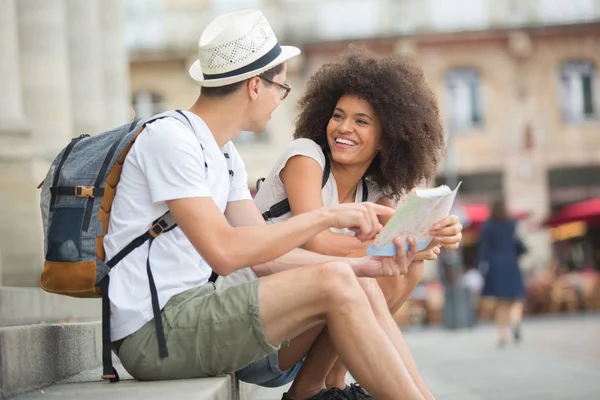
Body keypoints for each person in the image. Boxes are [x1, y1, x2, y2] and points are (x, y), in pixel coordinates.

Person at [104, 10, 448, 400]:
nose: (280, 101)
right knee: (337, 278)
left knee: (353, 279)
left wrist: (361, 265)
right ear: (255, 86)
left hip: (198, 311)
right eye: (281, 89)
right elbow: (225, 253)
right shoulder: (170, 139)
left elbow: (265, 257)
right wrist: (330, 216)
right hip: (155, 334)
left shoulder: (225, 155)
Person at [218, 45, 463, 399]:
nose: (343, 127)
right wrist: (399, 246)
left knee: (404, 269)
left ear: (387, 138)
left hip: (305, 338)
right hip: (259, 329)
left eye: (361, 121)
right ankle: (310, 391)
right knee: (361, 272)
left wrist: (436, 233)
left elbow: (391, 239)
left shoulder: (375, 189)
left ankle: (331, 382)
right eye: (338, 115)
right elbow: (319, 243)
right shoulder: (305, 156)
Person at [478, 198, 527, 347]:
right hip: (511, 263)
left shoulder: (486, 227)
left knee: (501, 303)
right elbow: (517, 242)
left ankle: (502, 336)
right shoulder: (512, 223)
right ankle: (515, 321)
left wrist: (480, 265)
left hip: (495, 266)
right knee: (517, 299)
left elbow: (484, 248)